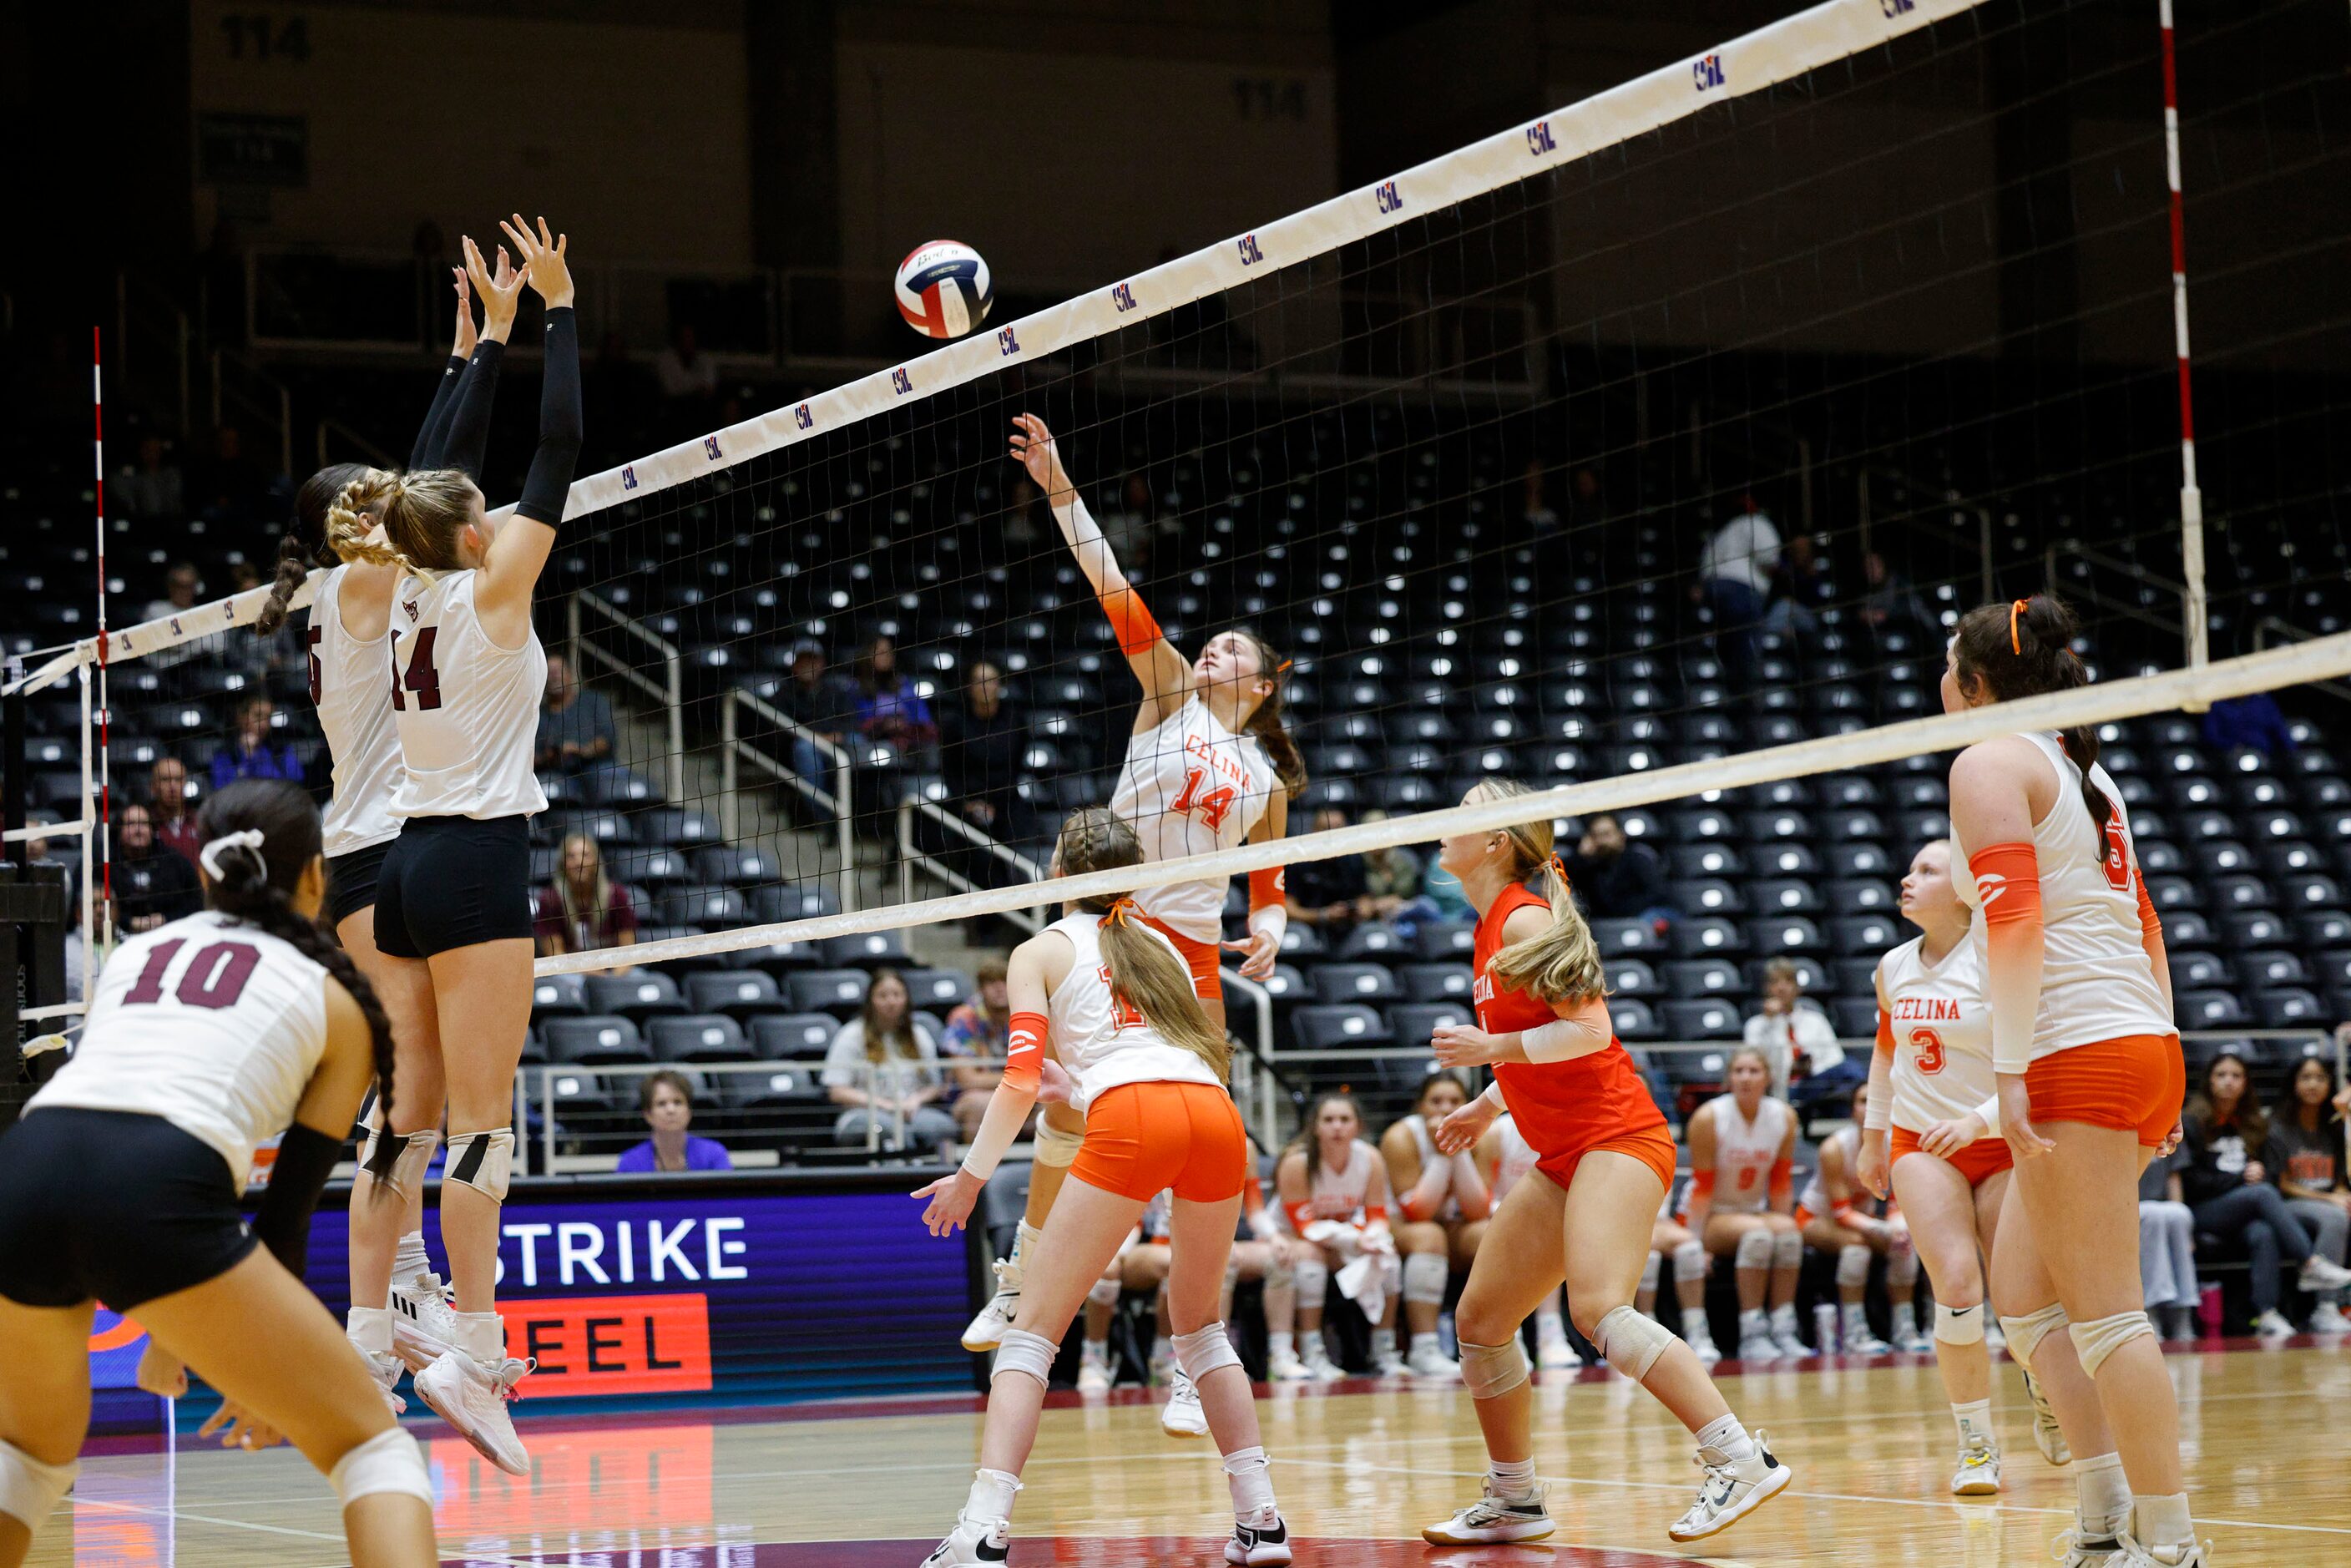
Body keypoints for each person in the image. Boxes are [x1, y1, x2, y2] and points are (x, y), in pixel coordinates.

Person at [0, 781, 437, 1568]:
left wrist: (183, 1333)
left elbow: (120, 1132)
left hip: (23, 1167)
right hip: (156, 1188)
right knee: (375, 1453)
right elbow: (282, 1217)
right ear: (315, 878)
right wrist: (243, 1366)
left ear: (205, 874)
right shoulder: (339, 1002)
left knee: (25, 1460)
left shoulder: (135, 953)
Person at [962, 414, 1298, 1361]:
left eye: (1232, 651)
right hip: (1113, 931)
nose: (1212, 653)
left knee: (1212, 1134)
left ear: (1264, 685)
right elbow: (1112, 585)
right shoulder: (1166, 700)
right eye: (1212, 644)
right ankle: (1020, 1280)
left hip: (1191, 955)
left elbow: (1266, 879)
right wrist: (1057, 484)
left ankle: (1199, 1346)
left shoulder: (1268, 783)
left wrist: (1270, 928)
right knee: (1066, 1114)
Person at [327, 217, 580, 1475]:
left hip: (412, 864)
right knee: (483, 1126)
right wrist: (562, 309)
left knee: (417, 1116)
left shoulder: (402, 581)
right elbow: (560, 446)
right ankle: (474, 1349)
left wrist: (486, 340)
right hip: (477, 860)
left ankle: (381, 1328)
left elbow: (437, 471)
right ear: (476, 531)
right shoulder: (491, 581)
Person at [250, 255, 504, 1424]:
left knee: (418, 1103)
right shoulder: (364, 592)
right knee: (421, 1110)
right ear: (347, 527)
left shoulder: (351, 585)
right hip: (386, 859)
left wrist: (459, 354)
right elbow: (429, 486)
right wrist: (490, 347)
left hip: (377, 859)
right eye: (368, 502)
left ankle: (391, 1305)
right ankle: (376, 1324)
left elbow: (413, 481)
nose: (383, 507)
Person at [911, 807, 1292, 1568]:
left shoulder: (1039, 949)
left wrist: (968, 1177)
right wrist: (1083, 1089)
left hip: (1135, 1118)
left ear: (1057, 873)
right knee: (1200, 1327)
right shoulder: (1164, 946)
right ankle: (1263, 1522)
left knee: (1031, 1333)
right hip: (1216, 1118)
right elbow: (1187, 1063)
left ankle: (982, 1533)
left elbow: (1019, 1081)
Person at [1423, 778, 1789, 1546]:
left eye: (1462, 815)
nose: (1442, 825)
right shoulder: (1492, 923)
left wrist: (1489, 1050)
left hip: (1620, 1138)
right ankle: (1516, 1499)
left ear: (1497, 842)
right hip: (1566, 1151)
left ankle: (1738, 1455)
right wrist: (1488, 1103)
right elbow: (1541, 1046)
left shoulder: (1521, 918)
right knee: (1484, 1320)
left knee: (1597, 1308)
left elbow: (1591, 1032)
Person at [1945, 593, 2207, 1566]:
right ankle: (2102, 1520)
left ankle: (2170, 1546)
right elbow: (2144, 928)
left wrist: (2007, 1073)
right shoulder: (2079, 768)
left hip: (2076, 1050)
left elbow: (2013, 929)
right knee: (2020, 1299)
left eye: (1945, 666)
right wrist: (2167, 1057)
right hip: (2133, 1040)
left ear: (1972, 684)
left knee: (2104, 1316)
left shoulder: (1987, 760)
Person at [1854, 837, 2056, 1500]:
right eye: (1908, 867)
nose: (1906, 879)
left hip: (1999, 1140)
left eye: (1926, 870)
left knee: (2020, 1298)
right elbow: (1887, 1056)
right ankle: (1976, 1444)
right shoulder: (1892, 967)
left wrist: (1977, 1122)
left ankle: (2046, 1388)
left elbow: (2032, 1064)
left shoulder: (2000, 956)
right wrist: (1873, 1138)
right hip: (1920, 1143)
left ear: (1966, 889)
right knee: (1960, 1290)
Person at [2179, 1053, 2351, 1335]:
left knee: (2263, 1232)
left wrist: (2259, 1171)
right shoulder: (2193, 1122)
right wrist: (2239, 1179)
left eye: (2236, 1076)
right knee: (2261, 1194)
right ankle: (2309, 1262)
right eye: (2221, 1075)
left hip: (2243, 1210)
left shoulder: (2253, 1124)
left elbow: (2272, 1173)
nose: (2229, 1082)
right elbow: (2192, 1181)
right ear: (2209, 1081)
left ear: (2246, 1083)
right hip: (2204, 1209)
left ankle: (2266, 1314)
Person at [1681, 1046, 1804, 1363]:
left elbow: (1779, 1184)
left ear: (1768, 1078)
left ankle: (1784, 1328)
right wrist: (1694, 1242)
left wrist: (1781, 1223)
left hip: (1753, 1211)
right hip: (1713, 1214)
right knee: (1760, 1235)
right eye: (1738, 1071)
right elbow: (1702, 1188)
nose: (1745, 1078)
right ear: (1729, 1079)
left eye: (1753, 1071)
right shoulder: (1709, 1118)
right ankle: (1752, 1332)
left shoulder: (1784, 1117)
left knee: (1790, 1233)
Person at [1276, 1092, 1407, 1379]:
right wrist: (1354, 1240)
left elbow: (1377, 1216)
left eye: (1345, 1119)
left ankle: (1384, 1351)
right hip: (1294, 1239)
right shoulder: (1297, 1161)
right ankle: (1312, 1353)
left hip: (1342, 1239)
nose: (1337, 1126)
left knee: (1389, 1258)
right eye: (1329, 1120)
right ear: (1315, 1127)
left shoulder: (1370, 1158)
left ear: (1358, 1126)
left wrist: (1374, 1238)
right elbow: (1305, 1227)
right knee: (1312, 1259)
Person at [1796, 1081, 1921, 1358]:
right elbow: (1840, 1213)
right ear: (1853, 1109)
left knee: (1905, 1246)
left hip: (1861, 1221)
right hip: (1816, 1219)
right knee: (1857, 1249)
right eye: (1864, 1101)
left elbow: (1895, 1206)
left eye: (1877, 1100)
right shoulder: (1835, 1148)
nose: (1870, 1107)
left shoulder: (1894, 1146)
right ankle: (1854, 1333)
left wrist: (1898, 1230)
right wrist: (1881, 1229)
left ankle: (1905, 1330)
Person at [1380, 1072, 1490, 1378]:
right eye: (1436, 1101)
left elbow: (1478, 1210)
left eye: (1455, 1101)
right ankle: (1423, 1348)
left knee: (1490, 1234)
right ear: (1420, 1106)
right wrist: (1444, 1155)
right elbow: (1418, 1212)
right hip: (1401, 1228)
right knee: (1429, 1236)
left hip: (1456, 1226)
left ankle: (1504, 1340)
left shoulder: (1483, 1132)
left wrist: (1459, 1151)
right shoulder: (1401, 1137)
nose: (1445, 1108)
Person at [1474, 1110, 1587, 1369]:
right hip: (1494, 1217)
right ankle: (1508, 1337)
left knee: (1554, 1233)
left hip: (1544, 1221)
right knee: (1514, 1237)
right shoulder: (1497, 1133)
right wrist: (1518, 1216)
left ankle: (1550, 1335)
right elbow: (1480, 1201)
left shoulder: (1569, 1132)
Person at [823, 969, 955, 1153]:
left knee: (942, 1126)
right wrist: (884, 1105)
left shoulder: (919, 1035)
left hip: (911, 1111)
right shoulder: (850, 1035)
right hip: (863, 1112)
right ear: (871, 1000)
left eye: (897, 995)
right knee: (891, 1130)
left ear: (906, 999)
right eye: (883, 996)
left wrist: (915, 1100)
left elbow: (934, 1086)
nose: (891, 1002)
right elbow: (837, 1091)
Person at [2268, 1055, 2351, 1333]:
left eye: (2320, 1078)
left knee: (2341, 1211)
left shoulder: (2334, 1128)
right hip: (2290, 1205)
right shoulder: (2279, 1127)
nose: (2313, 1084)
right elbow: (2283, 1185)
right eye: (2306, 1078)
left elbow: (2340, 1179)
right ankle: (2325, 1308)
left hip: (2327, 1202)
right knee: (2336, 1217)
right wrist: (2332, 1199)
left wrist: (2342, 1194)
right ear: (2294, 1084)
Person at [1743, 957, 1855, 1107]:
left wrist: (1810, 1068)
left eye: (1788, 981)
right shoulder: (1756, 1026)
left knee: (1849, 1068)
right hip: (1782, 1089)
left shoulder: (1816, 1020)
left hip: (1816, 1083)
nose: (1782, 987)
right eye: (1775, 982)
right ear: (1767, 989)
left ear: (1798, 988)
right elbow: (1757, 1066)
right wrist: (1773, 1022)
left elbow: (1836, 1059)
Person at [940, 659, 1029, 841]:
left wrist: (999, 803)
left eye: (990, 680)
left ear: (999, 685)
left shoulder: (1015, 720)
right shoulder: (956, 724)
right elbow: (949, 769)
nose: (985, 687)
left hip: (1007, 804)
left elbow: (1017, 764)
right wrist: (967, 804)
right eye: (979, 681)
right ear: (970, 687)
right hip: (969, 807)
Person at [940, 959, 1024, 1143]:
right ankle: (978, 1172)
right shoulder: (964, 1018)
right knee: (981, 1105)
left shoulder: (1024, 1013)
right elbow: (968, 1080)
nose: (1000, 988)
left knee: (1054, 1105)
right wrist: (1022, 1079)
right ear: (981, 989)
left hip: (1015, 1091)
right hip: (966, 1098)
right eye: (992, 983)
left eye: (1004, 981)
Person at [1690, 500, 1779, 669]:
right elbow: (1770, 557)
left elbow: (1705, 568)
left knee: (1724, 646)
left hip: (1714, 589)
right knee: (1747, 651)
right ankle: (1745, 687)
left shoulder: (1722, 532)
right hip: (1742, 590)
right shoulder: (1757, 523)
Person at [531, 832, 638, 970]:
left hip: (612, 969)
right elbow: (554, 954)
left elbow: (628, 948)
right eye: (571, 856)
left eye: (585, 855)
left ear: (596, 861)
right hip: (570, 972)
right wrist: (589, 974)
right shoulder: (551, 900)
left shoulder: (616, 895)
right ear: (563, 864)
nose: (578, 862)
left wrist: (614, 979)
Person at [2137, 1145, 2200, 1343]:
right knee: (2153, 1216)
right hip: (2129, 1206)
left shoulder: (2164, 1123)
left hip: (2161, 1208)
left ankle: (2183, 1313)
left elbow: (2174, 1177)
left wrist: (2189, 1232)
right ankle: (2151, 1313)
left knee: (2180, 1215)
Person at [1562, 812, 1671, 924]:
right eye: (1596, 836)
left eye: (1607, 834)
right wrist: (1581, 856)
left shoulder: (1637, 859)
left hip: (1641, 914)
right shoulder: (1590, 865)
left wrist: (1623, 910)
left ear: (1621, 836)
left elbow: (1657, 894)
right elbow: (1564, 875)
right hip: (1607, 922)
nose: (1602, 841)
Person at [616, 1071, 732, 1173]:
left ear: (689, 1111)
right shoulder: (630, 1162)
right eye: (661, 1104)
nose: (671, 1110)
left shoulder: (714, 1154)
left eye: (678, 1102)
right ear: (648, 1114)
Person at [114, 802, 203, 933]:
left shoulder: (175, 860)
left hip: (172, 935)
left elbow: (196, 903)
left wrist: (167, 919)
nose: (138, 830)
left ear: (152, 829)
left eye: (144, 824)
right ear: (119, 830)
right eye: (131, 824)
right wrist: (128, 922)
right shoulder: (106, 862)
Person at [852, 635, 938, 761]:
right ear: (867, 655)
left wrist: (904, 725)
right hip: (871, 741)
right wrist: (882, 724)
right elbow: (857, 723)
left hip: (907, 741)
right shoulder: (855, 688)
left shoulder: (904, 684)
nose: (886, 656)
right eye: (880, 651)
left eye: (889, 652)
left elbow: (923, 719)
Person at [1284, 807, 1369, 933]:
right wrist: (1323, 915)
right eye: (1326, 829)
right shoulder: (1297, 860)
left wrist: (1360, 910)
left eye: (1338, 830)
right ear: (1314, 831)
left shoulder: (1354, 859)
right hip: (1308, 928)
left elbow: (1365, 899)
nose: (1332, 836)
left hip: (1347, 927)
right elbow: (1288, 909)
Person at [533, 652, 618, 775]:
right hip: (555, 775)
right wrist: (549, 757)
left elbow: (608, 737)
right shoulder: (536, 715)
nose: (555, 677)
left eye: (558, 671)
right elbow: (528, 757)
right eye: (549, 673)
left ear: (570, 674)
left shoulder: (592, 701)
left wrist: (582, 751)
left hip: (597, 768)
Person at [209, 696, 302, 789]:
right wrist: (248, 757)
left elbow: (295, 782)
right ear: (241, 717)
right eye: (258, 716)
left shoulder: (281, 750)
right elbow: (222, 790)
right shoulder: (224, 754)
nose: (264, 724)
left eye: (268, 718)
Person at [1761, 533, 1825, 637]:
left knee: (1785, 606)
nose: (1800, 551)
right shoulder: (1783, 566)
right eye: (1797, 548)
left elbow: (1816, 603)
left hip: (1808, 619)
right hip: (1782, 617)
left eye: (1803, 548)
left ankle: (1768, 632)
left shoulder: (1813, 572)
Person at [2198, 692, 2293, 758]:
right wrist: (2230, 746)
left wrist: (2290, 750)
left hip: (2263, 752)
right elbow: (2211, 734)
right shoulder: (2218, 705)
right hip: (2231, 754)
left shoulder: (2262, 702)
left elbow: (2278, 728)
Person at [147, 756, 203, 864]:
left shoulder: (201, 822)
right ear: (153, 787)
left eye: (178, 780)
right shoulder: (145, 825)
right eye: (165, 780)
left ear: (186, 784)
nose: (173, 786)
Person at [118, 433, 185, 519]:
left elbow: (175, 499)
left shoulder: (172, 474)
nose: (152, 454)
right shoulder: (131, 475)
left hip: (170, 521)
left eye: (156, 450)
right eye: (148, 450)